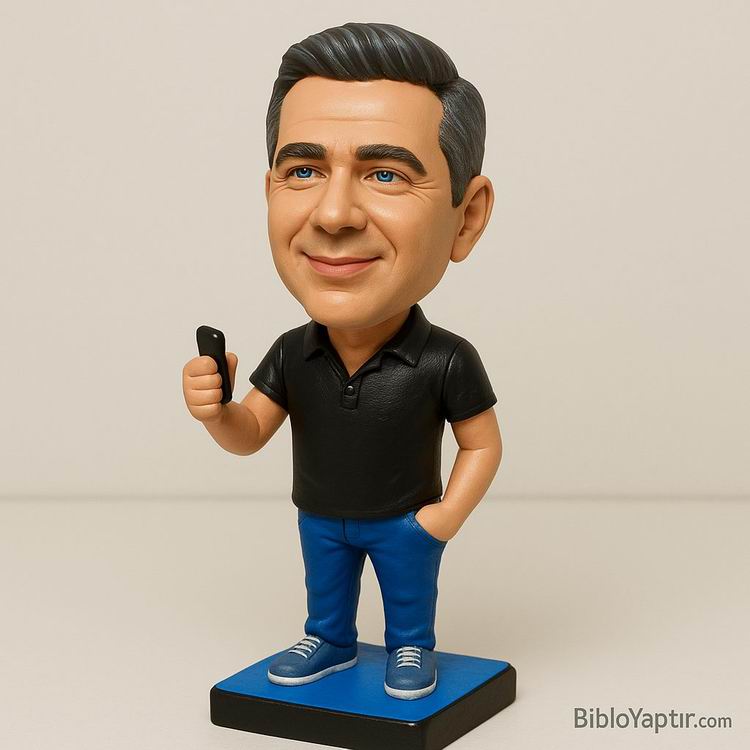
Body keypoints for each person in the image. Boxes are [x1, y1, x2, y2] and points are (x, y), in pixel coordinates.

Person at [182, 22, 502, 700]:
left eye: (386, 174)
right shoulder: (292, 353)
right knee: (325, 592)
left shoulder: (445, 360)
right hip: (320, 515)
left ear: (466, 217)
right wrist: (217, 412)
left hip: (405, 520)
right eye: (303, 171)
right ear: (269, 192)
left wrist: (442, 518)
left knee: (408, 595)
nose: (332, 214)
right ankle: (328, 638)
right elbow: (250, 434)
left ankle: (411, 645)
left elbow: (482, 444)